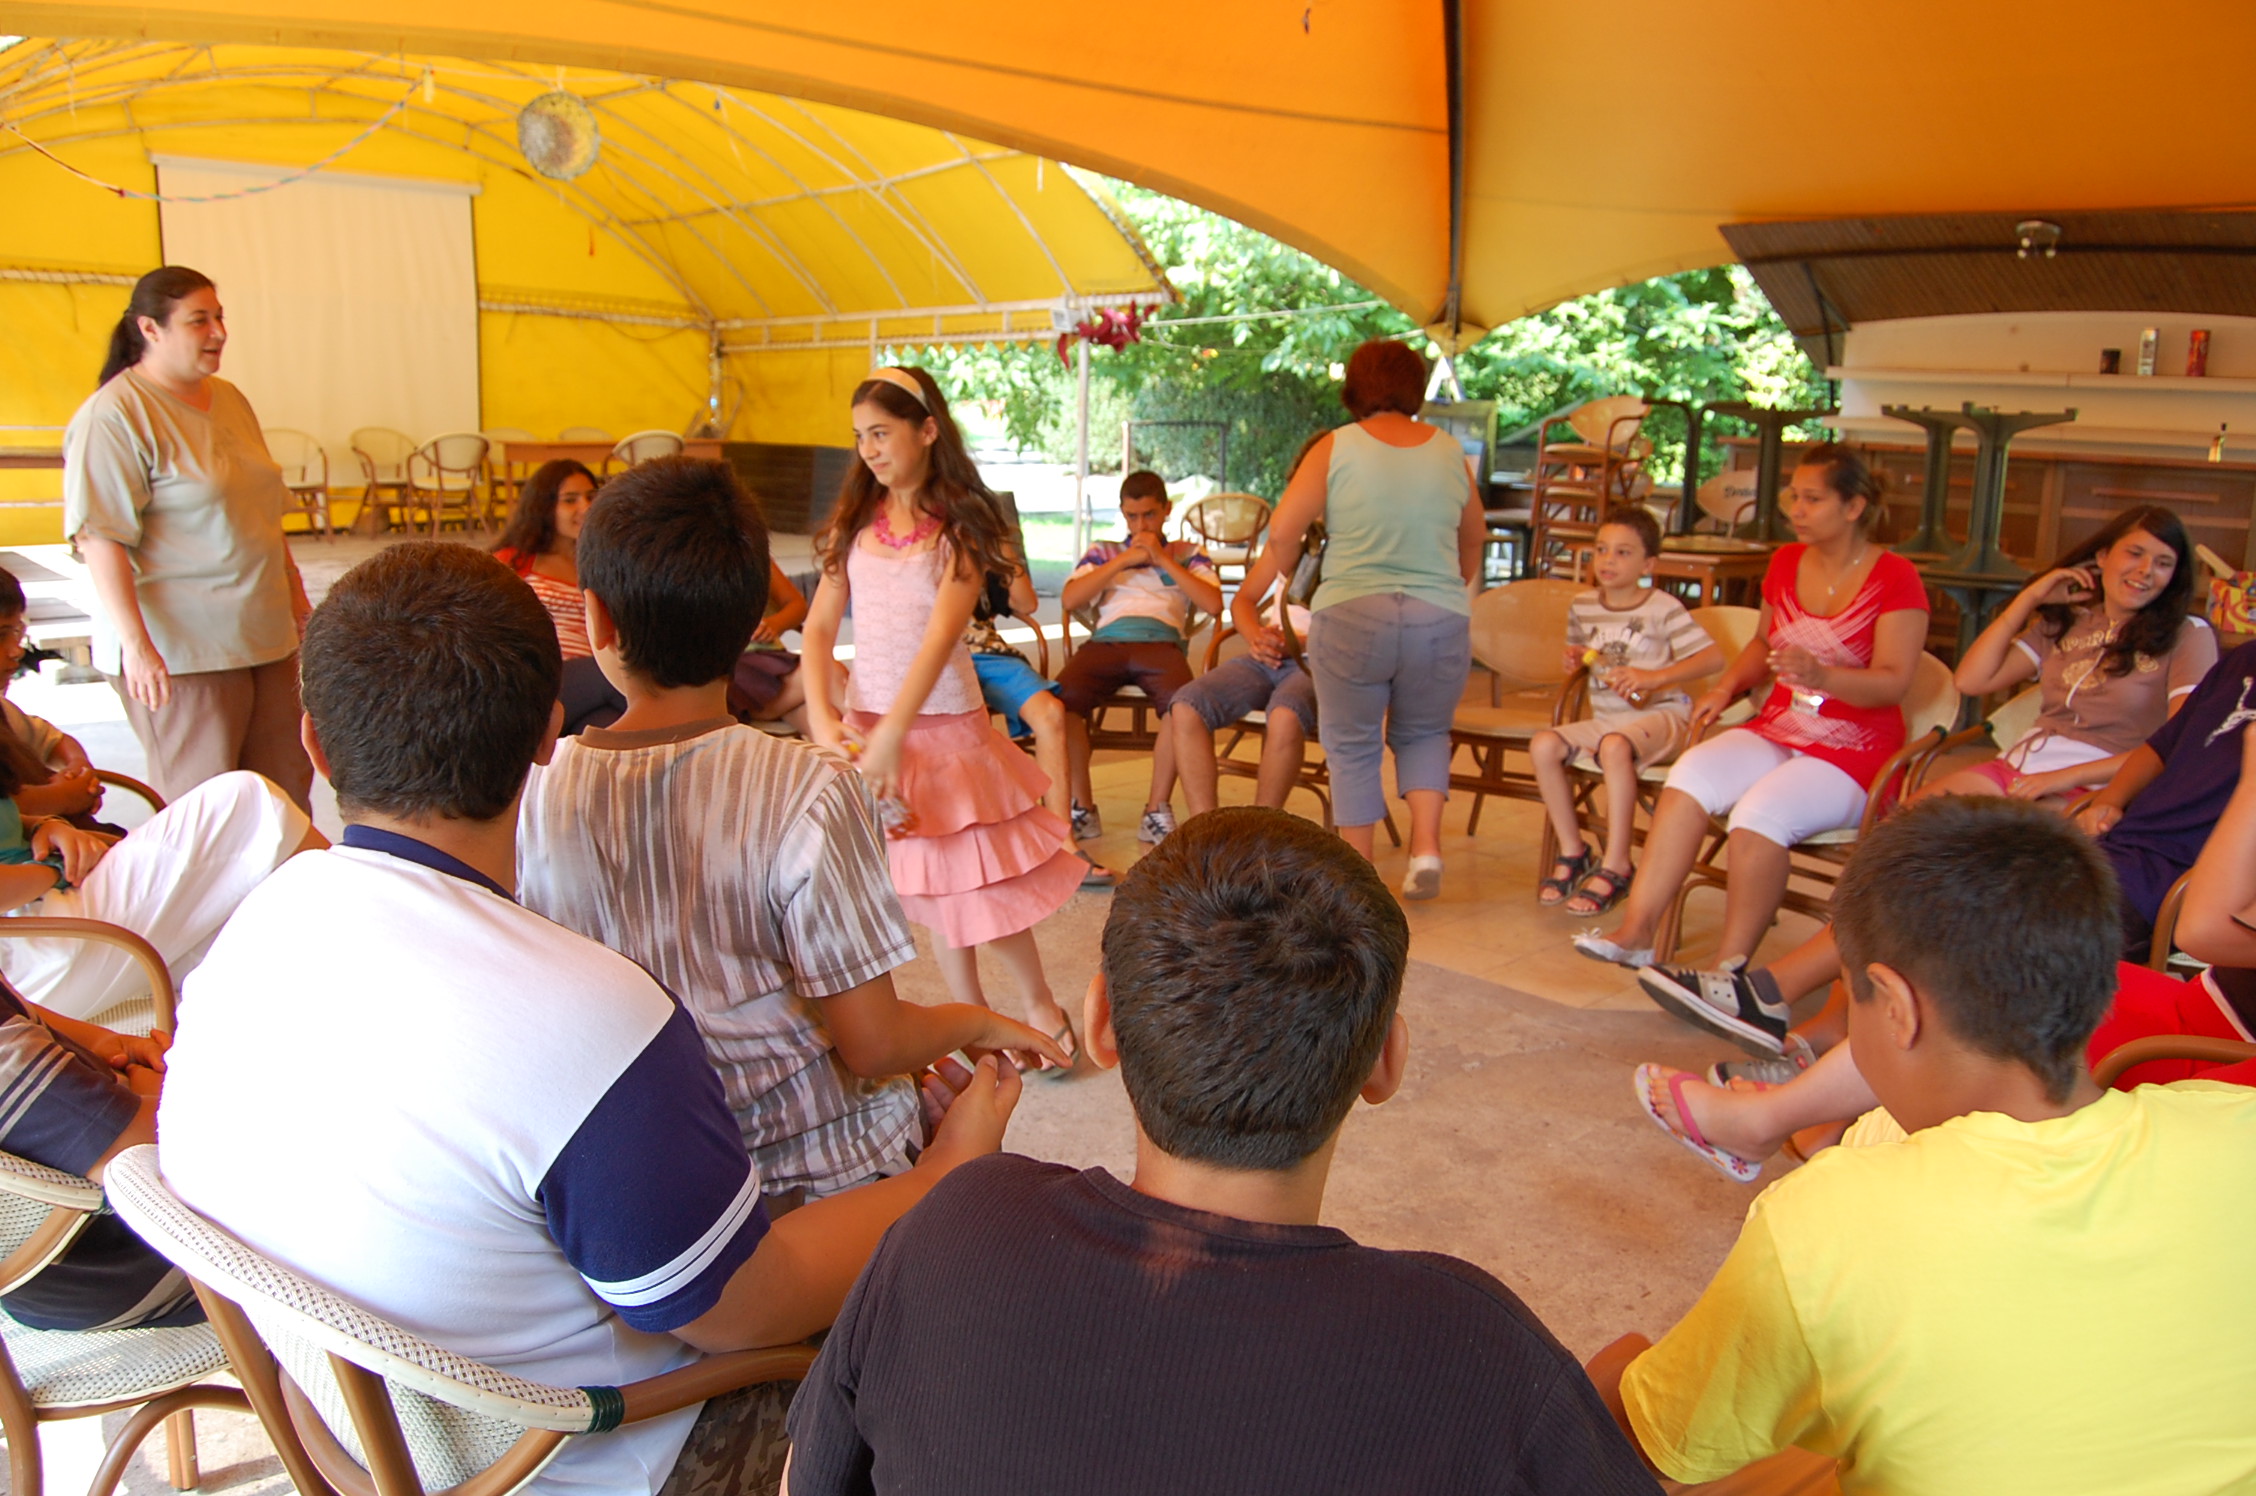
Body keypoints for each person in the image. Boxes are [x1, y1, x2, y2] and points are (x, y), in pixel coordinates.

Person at [158, 542, 1023, 1496]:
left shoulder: (243, 937)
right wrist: (947, 1173)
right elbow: (745, 1311)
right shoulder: (590, 1018)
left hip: (363, 1437)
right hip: (576, 1456)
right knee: (966, 1314)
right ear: (547, 734)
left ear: (316, 747)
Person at [783, 807, 1660, 1496]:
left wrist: (965, 1187)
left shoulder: (951, 1225)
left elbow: (806, 1481)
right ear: (1385, 1063)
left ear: (1101, 1024)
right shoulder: (1475, 1351)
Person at [1589, 798, 2256, 1494]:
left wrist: (1611, 1379)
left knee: (1618, 1391)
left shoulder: (1825, 1220)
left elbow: (1654, 1445)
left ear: (1896, 1007)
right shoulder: (2239, 1125)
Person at [517, 457, 1066, 1206]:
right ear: (752, 621)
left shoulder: (538, 789)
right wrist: (973, 1020)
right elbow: (874, 1044)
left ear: (598, 619)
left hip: (641, 1179)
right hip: (816, 1170)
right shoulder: (811, 789)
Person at [1637, 504, 2214, 1072]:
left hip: (2094, 785)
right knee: (1899, 846)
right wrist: (2031, 599)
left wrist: (2063, 779)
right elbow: (1973, 678)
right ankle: (1822, 1012)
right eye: (2134, 554)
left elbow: (2181, 744)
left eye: (2163, 563)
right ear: (2102, 557)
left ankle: (1784, 997)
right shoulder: (2069, 623)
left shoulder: (2185, 636)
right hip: (2019, 768)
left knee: (1944, 877)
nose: (2145, 571)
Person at [1639, 679, 2256, 1179]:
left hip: (2228, 1040)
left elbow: (2203, 930)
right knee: (1944, 923)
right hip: (2195, 988)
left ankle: (1786, 1076)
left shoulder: (2189, 643)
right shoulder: (2241, 662)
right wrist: (2109, 800)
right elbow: (2154, 746)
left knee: (1970, 973)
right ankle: (1797, 1101)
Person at [802, 367, 1086, 1060]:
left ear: (927, 431)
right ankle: (974, 1022)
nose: (869, 450)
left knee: (977, 884)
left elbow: (939, 637)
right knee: (933, 889)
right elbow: (817, 629)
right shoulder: (854, 524)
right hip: (873, 732)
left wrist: (893, 735)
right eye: (860, 437)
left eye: (881, 433)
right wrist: (822, 716)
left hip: (945, 731)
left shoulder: (960, 528)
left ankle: (1037, 1002)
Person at [1574, 444, 1928, 967]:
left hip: (1853, 750)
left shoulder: (1896, 576)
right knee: (1689, 776)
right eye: (1794, 497)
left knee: (1759, 814)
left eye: (1813, 499)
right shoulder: (1785, 562)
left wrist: (1824, 676)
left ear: (1854, 507)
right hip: (1780, 725)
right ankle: (1637, 933)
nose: (1797, 510)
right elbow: (1764, 643)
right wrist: (1725, 689)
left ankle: (1730, 969)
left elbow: (1894, 683)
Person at [63, 266, 313, 810]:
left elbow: (263, 512)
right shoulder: (114, 414)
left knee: (283, 794)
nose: (218, 333)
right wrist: (137, 646)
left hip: (265, 631)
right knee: (206, 805)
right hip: (183, 651)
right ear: (150, 329)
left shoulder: (230, 399)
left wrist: (295, 596)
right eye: (199, 321)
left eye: (219, 318)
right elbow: (101, 538)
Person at [1256, 338, 1485, 899]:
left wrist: (1290, 573)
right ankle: (1426, 848)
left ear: (1354, 390)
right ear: (1416, 387)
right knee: (1425, 732)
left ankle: (1361, 879)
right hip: (1438, 615)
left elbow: (1283, 530)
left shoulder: (1335, 446)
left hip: (1352, 612)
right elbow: (1474, 537)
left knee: (1353, 743)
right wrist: (1447, 584)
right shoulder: (1449, 451)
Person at [0, 768, 317, 1023]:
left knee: (239, 913)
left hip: (38, 903)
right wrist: (54, 867)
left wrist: (44, 825)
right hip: (26, 949)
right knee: (246, 798)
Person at [1531, 506, 1721, 914]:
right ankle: (1574, 851)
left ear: (1647, 564)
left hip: (1664, 716)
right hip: (1608, 719)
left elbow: (1711, 658)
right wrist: (1576, 658)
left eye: (1623, 552)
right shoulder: (1583, 605)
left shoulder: (1663, 607)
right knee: (1544, 744)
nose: (1608, 560)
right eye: (1601, 549)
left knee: (1615, 746)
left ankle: (1617, 863)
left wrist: (1654, 677)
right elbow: (1586, 654)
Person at [0, 972, 189, 1333]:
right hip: (128, 1257)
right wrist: (160, 1090)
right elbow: (146, 1151)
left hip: (68, 1269)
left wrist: (103, 1042)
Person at [1055, 471, 1223, 847]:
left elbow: (1213, 603)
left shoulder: (1187, 552)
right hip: (1107, 642)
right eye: (1132, 516)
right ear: (1122, 514)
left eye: (1149, 515)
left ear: (1166, 510)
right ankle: (1082, 806)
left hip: (1161, 642)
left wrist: (1162, 558)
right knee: (1058, 702)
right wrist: (1123, 561)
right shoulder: (1104, 551)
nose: (1141, 525)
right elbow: (1070, 599)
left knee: (1183, 707)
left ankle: (1155, 810)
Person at [964, 564, 1116, 886]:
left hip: (986, 653)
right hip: (929, 658)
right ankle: (979, 844)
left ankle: (1062, 841)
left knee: (1050, 712)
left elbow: (1026, 603)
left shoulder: (977, 547)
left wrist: (1002, 552)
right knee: (963, 724)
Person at [0, 566, 110, 824]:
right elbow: (7, 810)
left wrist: (77, 768)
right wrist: (65, 796)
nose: (16, 651)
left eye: (16, 633)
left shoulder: (5, 711)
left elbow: (52, 740)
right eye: (1, 636)